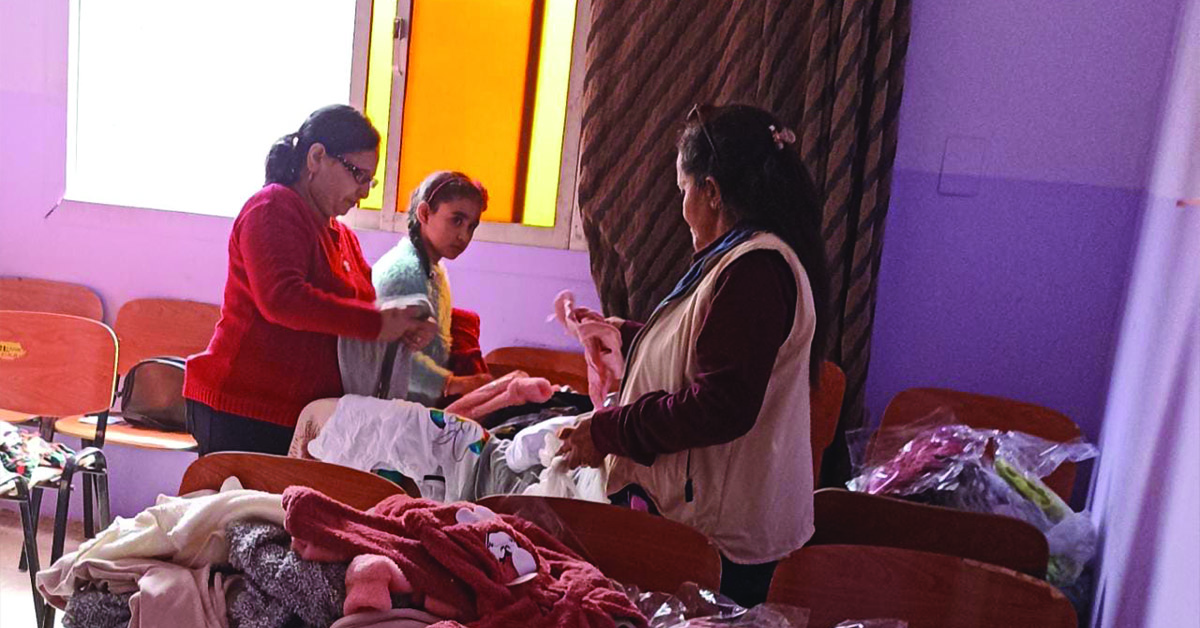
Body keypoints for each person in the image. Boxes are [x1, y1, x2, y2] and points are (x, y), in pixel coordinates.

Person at [557, 104, 832, 607]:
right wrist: (628, 334)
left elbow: (721, 404)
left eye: (684, 191)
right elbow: (714, 348)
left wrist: (608, 430)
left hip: (725, 538)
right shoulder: (748, 258)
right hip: (724, 518)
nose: (682, 208)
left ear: (711, 190)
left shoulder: (754, 268)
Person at [184, 105, 437, 455]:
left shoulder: (343, 237)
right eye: (357, 174)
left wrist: (402, 327)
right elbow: (282, 299)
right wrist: (378, 323)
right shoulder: (272, 207)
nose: (363, 192)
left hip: (304, 415)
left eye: (370, 181)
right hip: (244, 410)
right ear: (316, 157)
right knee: (243, 510)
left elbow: (358, 317)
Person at [373, 171, 495, 406]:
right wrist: (454, 383)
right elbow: (393, 353)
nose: (464, 236)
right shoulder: (403, 272)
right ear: (425, 213)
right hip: (392, 408)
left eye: (472, 226)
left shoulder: (433, 269)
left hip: (419, 404)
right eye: (457, 220)